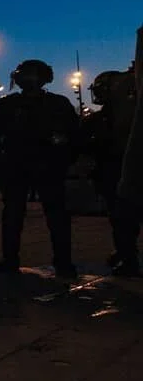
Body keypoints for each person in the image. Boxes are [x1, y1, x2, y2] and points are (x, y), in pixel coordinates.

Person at [0, 59, 79, 285]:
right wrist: (0, 163)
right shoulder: (9, 105)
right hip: (18, 166)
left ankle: (62, 262)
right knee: (15, 215)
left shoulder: (57, 104)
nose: (28, 80)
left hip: (46, 166)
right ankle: (12, 259)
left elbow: (74, 136)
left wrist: (63, 159)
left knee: (54, 216)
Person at [82, 69, 139, 276]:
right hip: (116, 169)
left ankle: (128, 258)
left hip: (116, 170)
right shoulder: (125, 113)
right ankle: (125, 253)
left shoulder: (108, 117)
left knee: (121, 218)